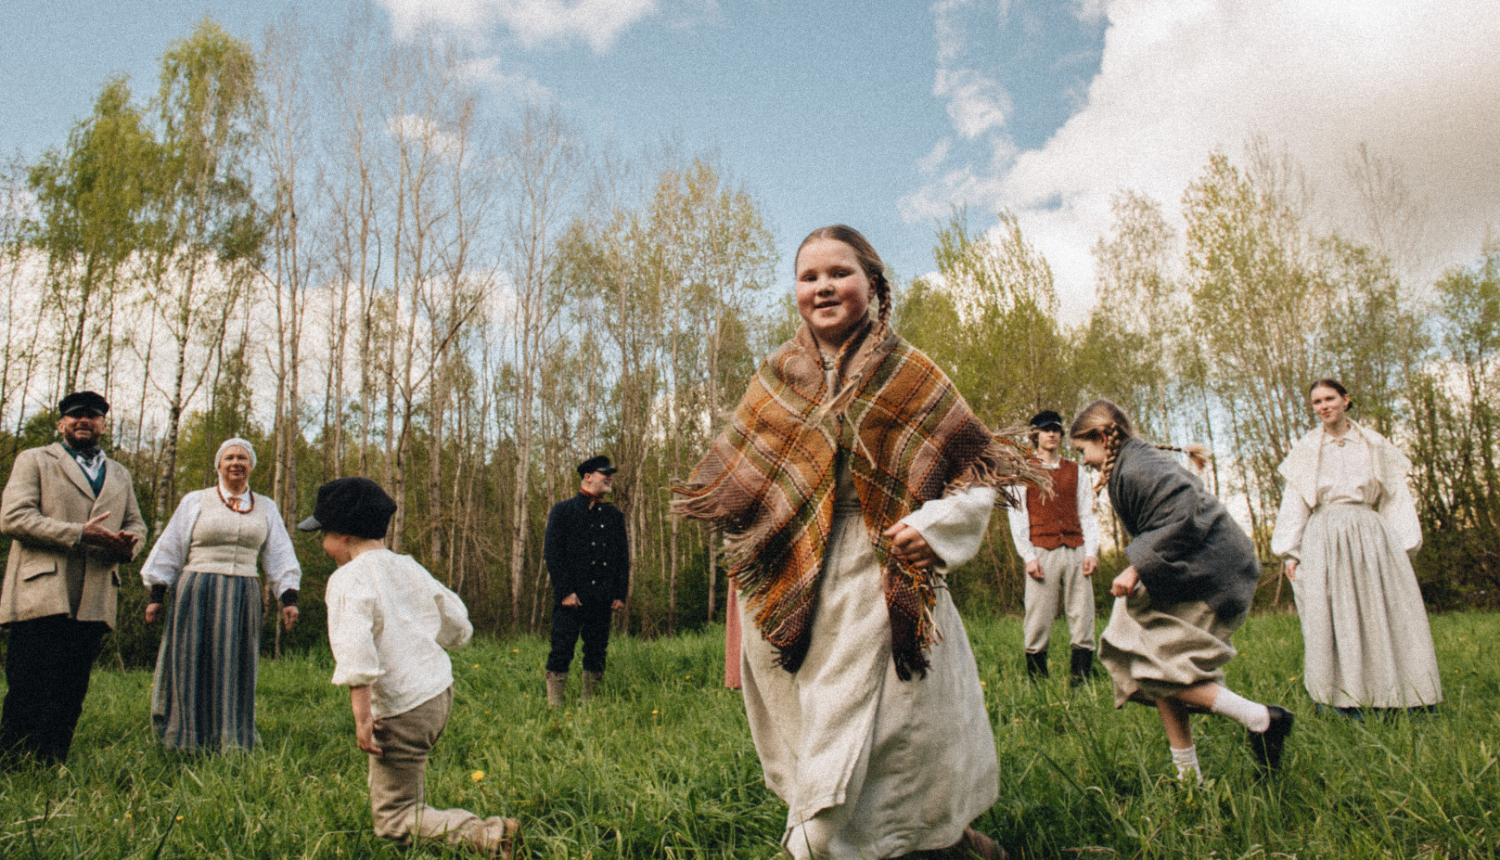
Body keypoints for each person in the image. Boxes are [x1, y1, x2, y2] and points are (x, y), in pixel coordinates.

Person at [674, 225, 1044, 860]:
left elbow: (976, 476)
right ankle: (945, 848)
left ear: (873, 284)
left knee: (900, 735)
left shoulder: (911, 372)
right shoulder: (774, 379)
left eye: (838, 273)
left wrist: (936, 529)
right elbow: (738, 497)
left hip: (884, 573)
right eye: (808, 276)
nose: (823, 287)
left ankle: (873, 843)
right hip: (793, 581)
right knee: (816, 730)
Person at [1070, 399, 1293, 781]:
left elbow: (1184, 510)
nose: (1084, 460)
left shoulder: (1137, 465)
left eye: (1083, 450)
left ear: (1104, 437)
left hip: (1213, 574)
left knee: (1157, 670)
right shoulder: (1132, 462)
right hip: (1183, 571)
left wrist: (1137, 566)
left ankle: (1261, 719)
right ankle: (1188, 778)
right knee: (1134, 654)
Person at [300, 476, 519, 857]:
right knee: (405, 784)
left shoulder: (346, 580)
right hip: (437, 693)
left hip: (402, 707)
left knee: (393, 816)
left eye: (324, 534)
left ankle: (490, 836)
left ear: (345, 536)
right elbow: (454, 618)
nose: (322, 544)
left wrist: (362, 714)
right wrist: (452, 638)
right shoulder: (407, 566)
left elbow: (355, 652)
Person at [1271, 378, 1441, 714]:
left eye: (1330, 399)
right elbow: (1295, 504)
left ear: (1346, 400)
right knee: (1332, 617)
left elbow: (1396, 498)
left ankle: (1400, 698)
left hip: (1370, 535)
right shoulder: (1306, 451)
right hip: (1324, 536)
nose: (1324, 407)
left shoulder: (1374, 444)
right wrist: (1291, 552)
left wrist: (1403, 547)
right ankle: (1342, 702)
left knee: (1382, 613)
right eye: (1317, 402)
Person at [0, 391, 147, 768]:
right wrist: (79, 533)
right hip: (42, 591)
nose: (85, 421)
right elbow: (13, 517)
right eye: (76, 415)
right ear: (61, 423)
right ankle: (13, 766)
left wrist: (128, 544)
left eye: (93, 416)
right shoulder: (35, 460)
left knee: (70, 689)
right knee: (29, 685)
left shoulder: (118, 472)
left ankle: (51, 765)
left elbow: (136, 523)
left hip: (94, 595)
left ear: (102, 425)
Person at [139, 438, 302, 752]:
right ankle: (185, 737)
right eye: (229, 458)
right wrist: (157, 594)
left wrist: (288, 598)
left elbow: (280, 555)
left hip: (244, 592)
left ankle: (231, 737)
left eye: (242, 458)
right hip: (197, 589)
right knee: (190, 660)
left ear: (251, 466)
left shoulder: (266, 506)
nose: (236, 463)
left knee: (235, 664)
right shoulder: (195, 501)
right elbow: (170, 548)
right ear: (218, 465)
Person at [1007, 409, 1101, 683]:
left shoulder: (1077, 471)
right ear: (1035, 434)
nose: (1052, 434)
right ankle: (1037, 679)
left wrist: (1091, 551)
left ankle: (1081, 678)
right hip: (1041, 551)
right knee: (1038, 617)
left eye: (1056, 429)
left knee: (1083, 615)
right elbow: (1017, 516)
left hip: (1075, 549)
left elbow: (1087, 513)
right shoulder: (1022, 470)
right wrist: (1027, 556)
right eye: (1046, 429)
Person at [543, 455, 628, 707]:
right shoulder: (563, 511)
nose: (610, 477)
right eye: (605, 473)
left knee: (596, 651)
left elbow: (622, 558)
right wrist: (565, 592)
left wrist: (619, 593)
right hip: (572, 598)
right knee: (561, 648)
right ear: (588, 476)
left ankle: (590, 704)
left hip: (602, 598)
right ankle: (554, 707)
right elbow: (553, 554)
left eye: (611, 473)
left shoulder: (614, 516)